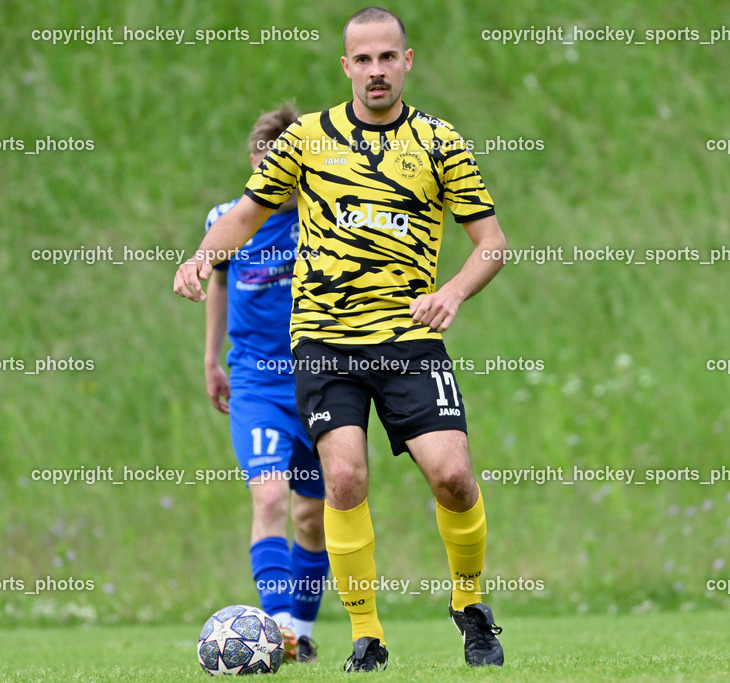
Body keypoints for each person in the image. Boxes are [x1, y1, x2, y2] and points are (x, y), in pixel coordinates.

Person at [176, 6, 507, 672]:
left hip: (407, 338)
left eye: (388, 57)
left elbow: (491, 245)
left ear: (406, 62)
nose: (376, 70)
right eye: (364, 59)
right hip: (325, 342)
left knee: (452, 476)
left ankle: (470, 605)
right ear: (346, 66)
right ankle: (367, 632)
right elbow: (246, 212)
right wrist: (201, 257)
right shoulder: (306, 139)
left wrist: (451, 292)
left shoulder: (441, 142)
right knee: (345, 478)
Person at [201, 104, 329, 664]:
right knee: (271, 495)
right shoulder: (226, 219)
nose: (266, 181)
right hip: (255, 382)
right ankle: (276, 632)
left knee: (313, 516)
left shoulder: (321, 222)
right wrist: (211, 358)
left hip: (320, 380)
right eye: (259, 168)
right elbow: (219, 285)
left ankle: (300, 628)